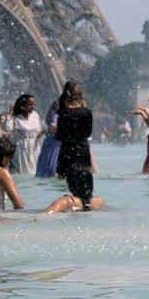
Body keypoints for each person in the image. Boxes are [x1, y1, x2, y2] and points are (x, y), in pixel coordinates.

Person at [52, 80, 98, 213]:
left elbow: (59, 136)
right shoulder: (87, 112)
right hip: (82, 149)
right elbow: (88, 132)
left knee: (72, 181)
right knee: (85, 179)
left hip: (67, 149)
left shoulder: (62, 112)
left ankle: (76, 205)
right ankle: (86, 204)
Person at [6, 93, 44, 175]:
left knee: (35, 172)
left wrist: (45, 132)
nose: (33, 106)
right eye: (30, 104)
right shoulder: (15, 117)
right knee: (24, 173)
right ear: (22, 106)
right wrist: (9, 115)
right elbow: (8, 129)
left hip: (34, 147)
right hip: (21, 149)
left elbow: (38, 133)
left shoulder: (35, 115)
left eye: (34, 104)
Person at [35, 102, 62, 178]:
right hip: (53, 144)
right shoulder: (54, 115)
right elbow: (51, 128)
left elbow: (47, 129)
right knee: (50, 167)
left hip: (53, 143)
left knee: (48, 165)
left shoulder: (55, 115)